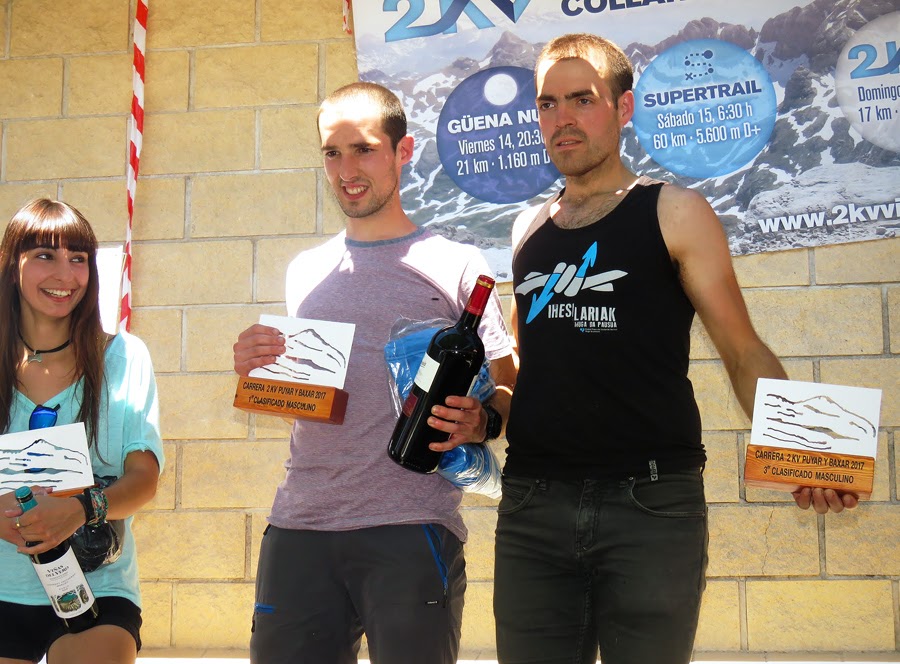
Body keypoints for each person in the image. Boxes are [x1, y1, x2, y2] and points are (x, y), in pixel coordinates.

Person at [494, 33, 857, 664]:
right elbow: (527, 365)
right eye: (548, 103)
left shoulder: (675, 211)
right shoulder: (526, 228)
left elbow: (743, 351)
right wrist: (480, 413)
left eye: (582, 99)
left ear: (624, 108)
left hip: (650, 505)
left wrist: (808, 452)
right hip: (533, 505)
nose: (562, 118)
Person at [233, 82, 516, 664]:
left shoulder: (458, 263)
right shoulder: (304, 270)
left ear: (403, 151)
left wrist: (482, 421)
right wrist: (259, 370)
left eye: (363, 149)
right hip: (300, 524)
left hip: (410, 524)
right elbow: (309, 404)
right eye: (332, 153)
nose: (347, 170)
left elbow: (508, 386)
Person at [0, 198, 163, 664]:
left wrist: (81, 509)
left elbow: (143, 479)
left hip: (95, 585)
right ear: (12, 265)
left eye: (78, 258)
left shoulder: (124, 357)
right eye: (45, 255)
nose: (65, 275)